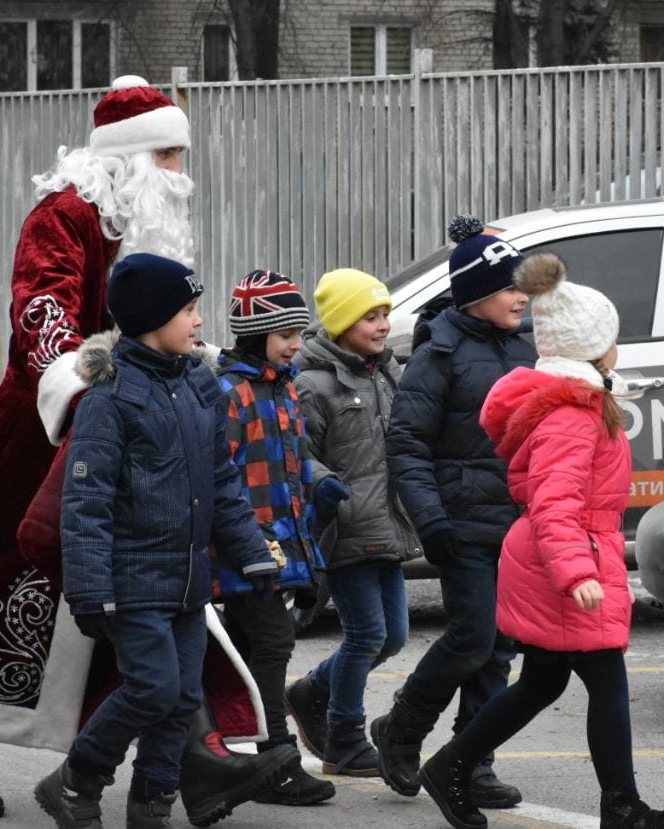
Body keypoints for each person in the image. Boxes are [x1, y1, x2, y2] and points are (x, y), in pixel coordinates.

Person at [0, 75, 289, 825]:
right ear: (134, 154)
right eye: (172, 157)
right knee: (0, 592)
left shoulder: (149, 226)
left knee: (153, 599)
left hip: (141, 430)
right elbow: (40, 308)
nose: (181, 176)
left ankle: (192, 756)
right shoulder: (65, 215)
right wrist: (88, 378)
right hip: (41, 438)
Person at [418, 253, 664, 829]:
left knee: (542, 682)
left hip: (564, 556)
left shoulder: (581, 402)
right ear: (594, 348)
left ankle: (451, 764)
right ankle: (622, 809)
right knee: (607, 684)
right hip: (566, 564)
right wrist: (578, 574)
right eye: (614, 339)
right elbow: (555, 503)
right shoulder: (573, 415)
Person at [35, 253, 283, 828]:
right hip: (133, 580)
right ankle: (76, 780)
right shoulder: (110, 398)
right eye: (189, 310)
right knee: (152, 690)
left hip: (188, 581)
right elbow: (86, 502)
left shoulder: (199, 384)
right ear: (151, 317)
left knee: (179, 703)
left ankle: (152, 806)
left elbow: (222, 479)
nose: (199, 322)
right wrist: (91, 590)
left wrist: (251, 552)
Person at [371, 216, 536, 808]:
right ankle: (401, 729)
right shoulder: (438, 352)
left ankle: (471, 760)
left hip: (516, 518)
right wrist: (431, 519)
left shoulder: (526, 344)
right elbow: (407, 444)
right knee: (472, 636)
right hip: (461, 518)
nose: (523, 296)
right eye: (511, 286)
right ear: (476, 294)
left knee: (501, 645)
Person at [283, 268, 421, 778]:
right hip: (344, 526)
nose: (383, 324)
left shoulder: (385, 372)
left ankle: (310, 690)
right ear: (341, 322)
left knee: (393, 636)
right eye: (370, 316)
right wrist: (322, 483)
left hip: (385, 523)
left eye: (385, 313)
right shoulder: (312, 384)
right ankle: (343, 736)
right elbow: (298, 453)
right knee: (366, 635)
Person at [210, 269, 336, 806]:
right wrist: (248, 544)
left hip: (282, 540)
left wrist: (321, 481)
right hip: (245, 546)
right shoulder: (231, 393)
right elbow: (221, 475)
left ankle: (236, 755)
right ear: (256, 334)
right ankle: (275, 760)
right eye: (285, 335)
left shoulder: (283, 388)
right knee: (272, 642)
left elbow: (290, 462)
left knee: (246, 648)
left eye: (299, 334)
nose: (295, 345)